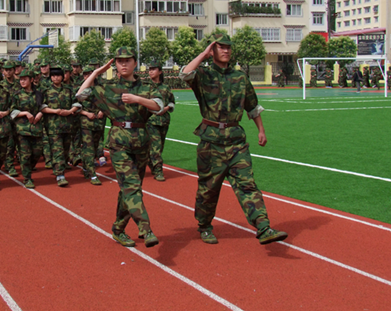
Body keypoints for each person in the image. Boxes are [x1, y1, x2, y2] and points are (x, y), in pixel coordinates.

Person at [179, 33, 287, 246]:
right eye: (221, 47)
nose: (226, 50)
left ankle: (263, 227)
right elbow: (184, 74)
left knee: (247, 184)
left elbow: (252, 106)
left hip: (236, 141)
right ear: (213, 50)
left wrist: (261, 130)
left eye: (228, 47)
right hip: (211, 142)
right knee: (209, 189)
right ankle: (204, 226)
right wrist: (203, 54)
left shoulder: (240, 78)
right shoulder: (203, 75)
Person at [77, 47, 163, 248]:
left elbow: (159, 107)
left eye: (128, 60)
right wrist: (97, 72)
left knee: (130, 188)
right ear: (114, 64)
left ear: (135, 63)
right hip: (119, 142)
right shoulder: (107, 87)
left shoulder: (146, 87)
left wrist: (137, 99)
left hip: (141, 141)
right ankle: (146, 228)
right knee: (131, 186)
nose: (124, 64)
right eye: (119, 61)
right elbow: (80, 95)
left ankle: (118, 228)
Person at [41, 65, 81, 187]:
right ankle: (60, 175)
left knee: (65, 150)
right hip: (53, 126)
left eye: (58, 75)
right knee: (57, 150)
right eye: (53, 76)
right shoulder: (46, 91)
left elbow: (77, 104)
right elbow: (42, 107)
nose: (56, 78)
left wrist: (69, 111)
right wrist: (55, 111)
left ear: (63, 77)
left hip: (67, 125)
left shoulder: (69, 90)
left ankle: (60, 166)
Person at [10, 68, 45, 189]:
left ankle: (28, 169)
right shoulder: (17, 95)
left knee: (37, 152)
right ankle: (27, 177)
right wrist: (24, 113)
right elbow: (12, 110)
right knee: (25, 154)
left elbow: (44, 106)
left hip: (36, 127)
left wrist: (40, 113)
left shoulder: (39, 94)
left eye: (25, 79)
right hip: (22, 128)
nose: (22, 81)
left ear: (31, 80)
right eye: (21, 79)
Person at [146, 62, 175, 182]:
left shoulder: (165, 88)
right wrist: (153, 110)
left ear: (160, 72)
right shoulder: (146, 87)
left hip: (164, 121)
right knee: (156, 146)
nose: (151, 71)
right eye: (150, 69)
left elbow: (172, 102)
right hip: (151, 121)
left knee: (160, 146)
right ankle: (158, 171)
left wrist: (166, 108)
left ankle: (151, 162)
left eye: (154, 69)